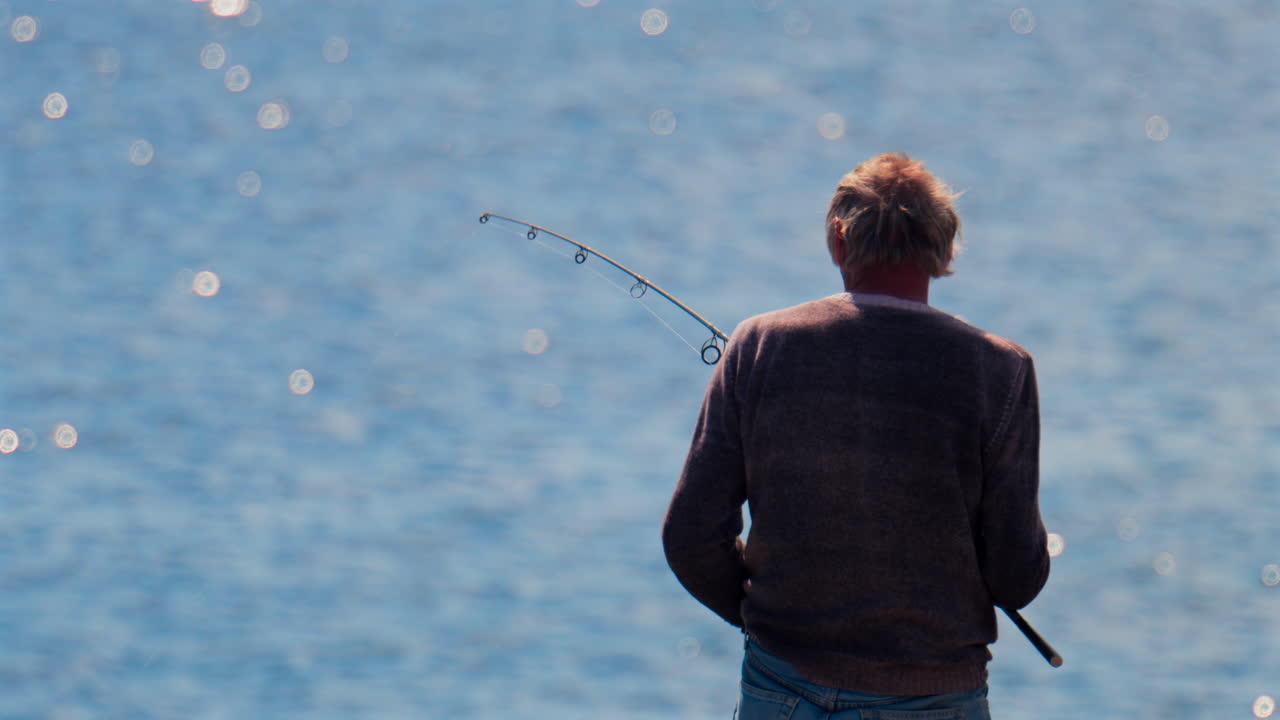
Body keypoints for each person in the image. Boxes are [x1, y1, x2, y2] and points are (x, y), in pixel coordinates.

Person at [661, 152, 1050, 719]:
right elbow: (1016, 575)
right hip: (933, 695)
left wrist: (763, 617)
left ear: (840, 242)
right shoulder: (1001, 371)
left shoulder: (759, 346)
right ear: (941, 248)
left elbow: (690, 535)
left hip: (782, 687)